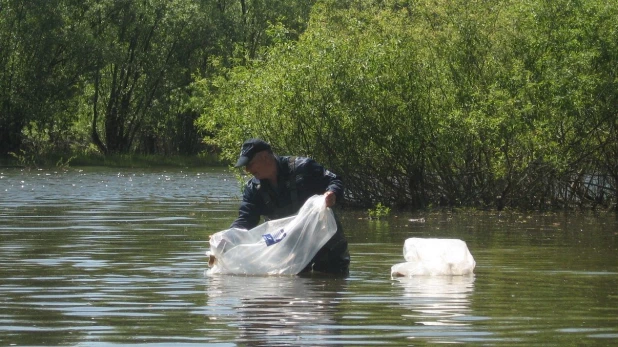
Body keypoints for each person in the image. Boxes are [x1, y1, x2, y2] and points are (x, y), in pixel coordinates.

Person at [230, 138, 350, 275]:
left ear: (264, 156)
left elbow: (335, 180)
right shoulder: (253, 189)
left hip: (326, 245)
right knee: (288, 291)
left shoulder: (303, 167)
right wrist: (228, 237)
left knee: (330, 287)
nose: (247, 170)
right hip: (289, 252)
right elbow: (245, 219)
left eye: (250, 164)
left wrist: (332, 193)